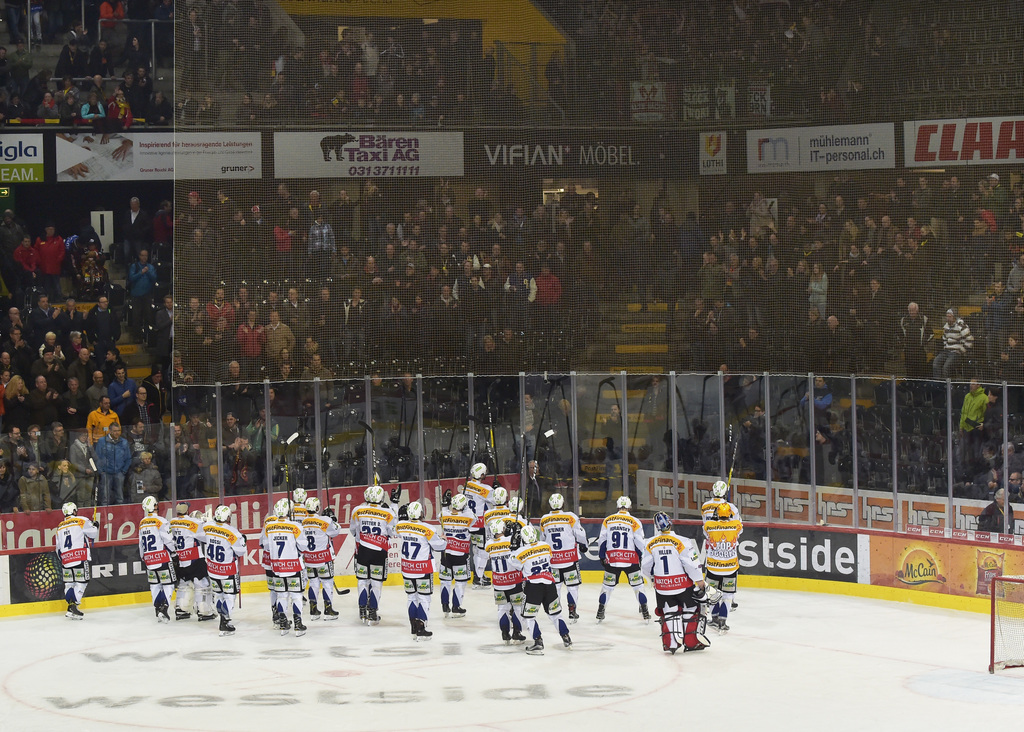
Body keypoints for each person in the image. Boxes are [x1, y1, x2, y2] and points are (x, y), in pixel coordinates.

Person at [641, 512, 716, 654]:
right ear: (670, 522)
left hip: (662, 588)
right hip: (683, 586)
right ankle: (691, 641)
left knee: (669, 612)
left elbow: (645, 566)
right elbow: (691, 564)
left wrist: (652, 579)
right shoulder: (682, 541)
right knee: (691, 609)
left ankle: (671, 642)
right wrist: (700, 581)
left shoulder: (649, 543)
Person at [508, 524, 572, 655]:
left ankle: (538, 642)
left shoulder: (521, 552)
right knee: (555, 615)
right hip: (550, 585)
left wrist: (513, 548)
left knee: (528, 617)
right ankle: (566, 637)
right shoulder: (546, 546)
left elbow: (514, 564)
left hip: (533, 587)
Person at [395, 500, 447, 641]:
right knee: (424, 598)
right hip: (422, 568)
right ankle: (421, 628)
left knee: (411, 597)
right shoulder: (428, 529)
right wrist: (443, 539)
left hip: (407, 568)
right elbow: (440, 546)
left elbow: (395, 528)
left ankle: (413, 626)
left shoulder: (401, 526)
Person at [596, 496, 650, 622]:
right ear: (630, 507)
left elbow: (602, 540)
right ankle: (645, 611)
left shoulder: (608, 520)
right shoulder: (635, 521)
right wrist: (640, 556)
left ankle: (600, 610)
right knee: (638, 587)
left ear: (617, 506)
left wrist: (602, 556)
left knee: (607, 588)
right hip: (630, 560)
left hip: (613, 559)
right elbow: (639, 542)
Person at [348, 485, 396, 625]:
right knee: (376, 583)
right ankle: (373, 613)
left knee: (362, 581)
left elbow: (353, 530)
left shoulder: (358, 510)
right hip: (379, 552)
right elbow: (393, 532)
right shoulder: (388, 512)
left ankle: (362, 610)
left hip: (363, 550)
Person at [539, 492, 588, 623]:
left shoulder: (544, 519)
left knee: (556, 587)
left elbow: (542, 539)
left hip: (553, 561)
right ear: (563, 504)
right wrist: (584, 545)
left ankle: (555, 611)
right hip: (569, 559)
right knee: (572, 587)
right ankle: (572, 611)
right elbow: (580, 534)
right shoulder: (570, 517)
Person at [201, 504, 247, 636]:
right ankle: (224, 622)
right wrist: (243, 540)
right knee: (229, 595)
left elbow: (200, 536)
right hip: (228, 570)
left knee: (219, 595)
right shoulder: (232, 532)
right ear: (227, 517)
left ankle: (223, 619)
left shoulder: (208, 527)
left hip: (212, 569)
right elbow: (241, 551)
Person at [264, 497, 307, 636]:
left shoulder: (269, 526)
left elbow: (266, 546)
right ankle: (298, 625)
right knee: (296, 596)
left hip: (277, 567)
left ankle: (283, 624)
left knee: (281, 596)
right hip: (293, 567)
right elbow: (303, 546)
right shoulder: (295, 526)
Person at [702, 502, 744, 632]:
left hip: (713, 566)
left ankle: (714, 619)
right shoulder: (736, 525)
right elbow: (738, 521)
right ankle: (722, 622)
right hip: (730, 567)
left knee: (712, 594)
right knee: (727, 596)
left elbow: (706, 531)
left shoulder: (709, 525)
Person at [169, 502, 214, 622]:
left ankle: (181, 609)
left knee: (184, 584)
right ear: (187, 511)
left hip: (180, 559)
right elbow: (206, 537)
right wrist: (207, 522)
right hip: (194, 558)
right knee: (202, 584)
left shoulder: (172, 522)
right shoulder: (193, 523)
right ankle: (204, 612)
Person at [485, 517, 527, 645]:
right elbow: (520, 545)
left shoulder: (489, 544)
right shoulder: (510, 540)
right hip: (513, 579)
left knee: (502, 608)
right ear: (503, 528)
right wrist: (515, 530)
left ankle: (504, 632)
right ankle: (517, 632)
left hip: (498, 582)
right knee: (517, 607)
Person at [55, 501, 99, 619]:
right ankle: (74, 605)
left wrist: (64, 559)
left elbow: (58, 548)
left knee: (69, 583)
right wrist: (95, 525)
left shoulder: (59, 526)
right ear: (74, 511)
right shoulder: (81, 520)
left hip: (66, 559)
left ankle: (70, 607)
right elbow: (93, 534)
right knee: (83, 581)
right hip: (79, 556)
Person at [301, 496, 342, 621]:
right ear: (317, 508)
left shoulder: (302, 522)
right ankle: (328, 610)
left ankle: (313, 611)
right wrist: (332, 519)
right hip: (323, 558)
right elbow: (336, 531)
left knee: (313, 583)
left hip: (308, 559)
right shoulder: (324, 520)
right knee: (327, 583)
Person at [138, 495, 175, 623]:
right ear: (155, 506)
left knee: (155, 585)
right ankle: (164, 608)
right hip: (162, 558)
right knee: (168, 584)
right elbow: (168, 540)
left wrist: (144, 557)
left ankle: (157, 608)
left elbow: (141, 544)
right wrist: (174, 552)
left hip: (149, 560)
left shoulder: (142, 522)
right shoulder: (161, 521)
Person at [437, 491, 474, 618]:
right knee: (460, 582)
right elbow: (474, 519)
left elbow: (440, 515)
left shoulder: (443, 514)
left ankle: (445, 605)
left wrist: (445, 505)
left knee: (445, 581)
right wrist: (465, 506)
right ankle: (456, 606)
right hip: (460, 554)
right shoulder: (468, 517)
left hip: (446, 553)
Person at [464, 462, 495, 586]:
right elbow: (496, 499)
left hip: (469, 523)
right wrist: (497, 488)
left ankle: (478, 576)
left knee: (476, 550)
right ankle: (479, 577)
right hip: (480, 524)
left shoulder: (465, 486)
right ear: (481, 474)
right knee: (482, 552)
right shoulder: (485, 489)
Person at [94, 422, 129, 505]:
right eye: (115, 431)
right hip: (106, 473)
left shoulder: (124, 442)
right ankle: (104, 515)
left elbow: (128, 458)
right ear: (110, 431)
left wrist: (124, 471)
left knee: (120, 497)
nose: (117, 433)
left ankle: (120, 514)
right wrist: (101, 471)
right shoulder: (102, 441)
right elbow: (97, 457)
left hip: (119, 472)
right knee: (105, 497)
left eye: (119, 430)